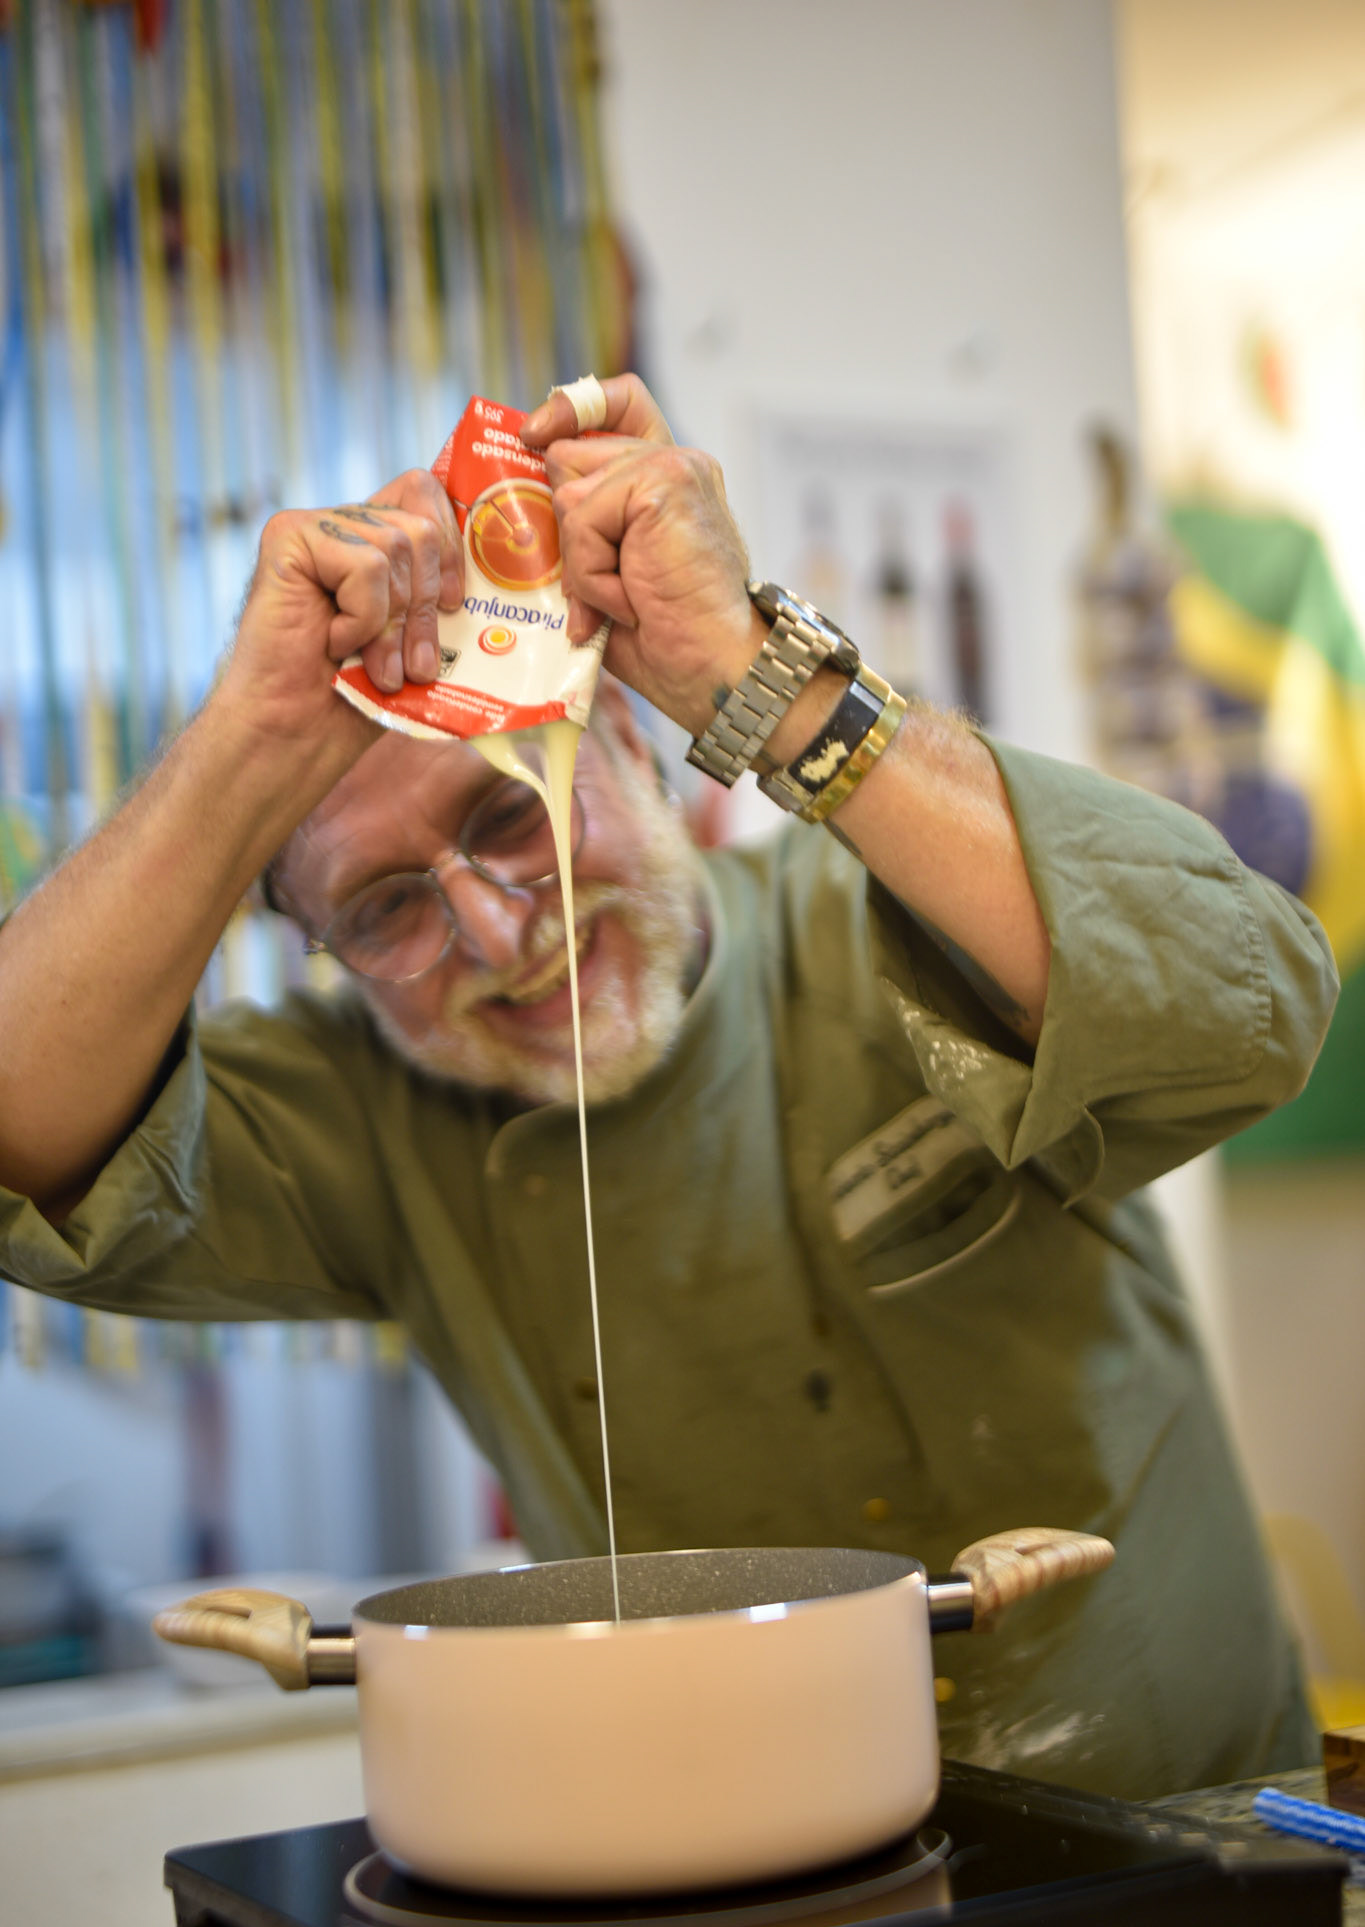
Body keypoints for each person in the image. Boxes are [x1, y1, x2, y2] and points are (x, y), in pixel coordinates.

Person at [0, 377, 1338, 1800]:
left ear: (632, 743)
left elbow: (1242, 1003)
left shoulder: (886, 923)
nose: (504, 939)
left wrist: (754, 673)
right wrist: (254, 742)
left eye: (511, 811)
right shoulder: (368, 1118)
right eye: (387, 909)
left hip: (1194, 1850)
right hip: (747, 1881)